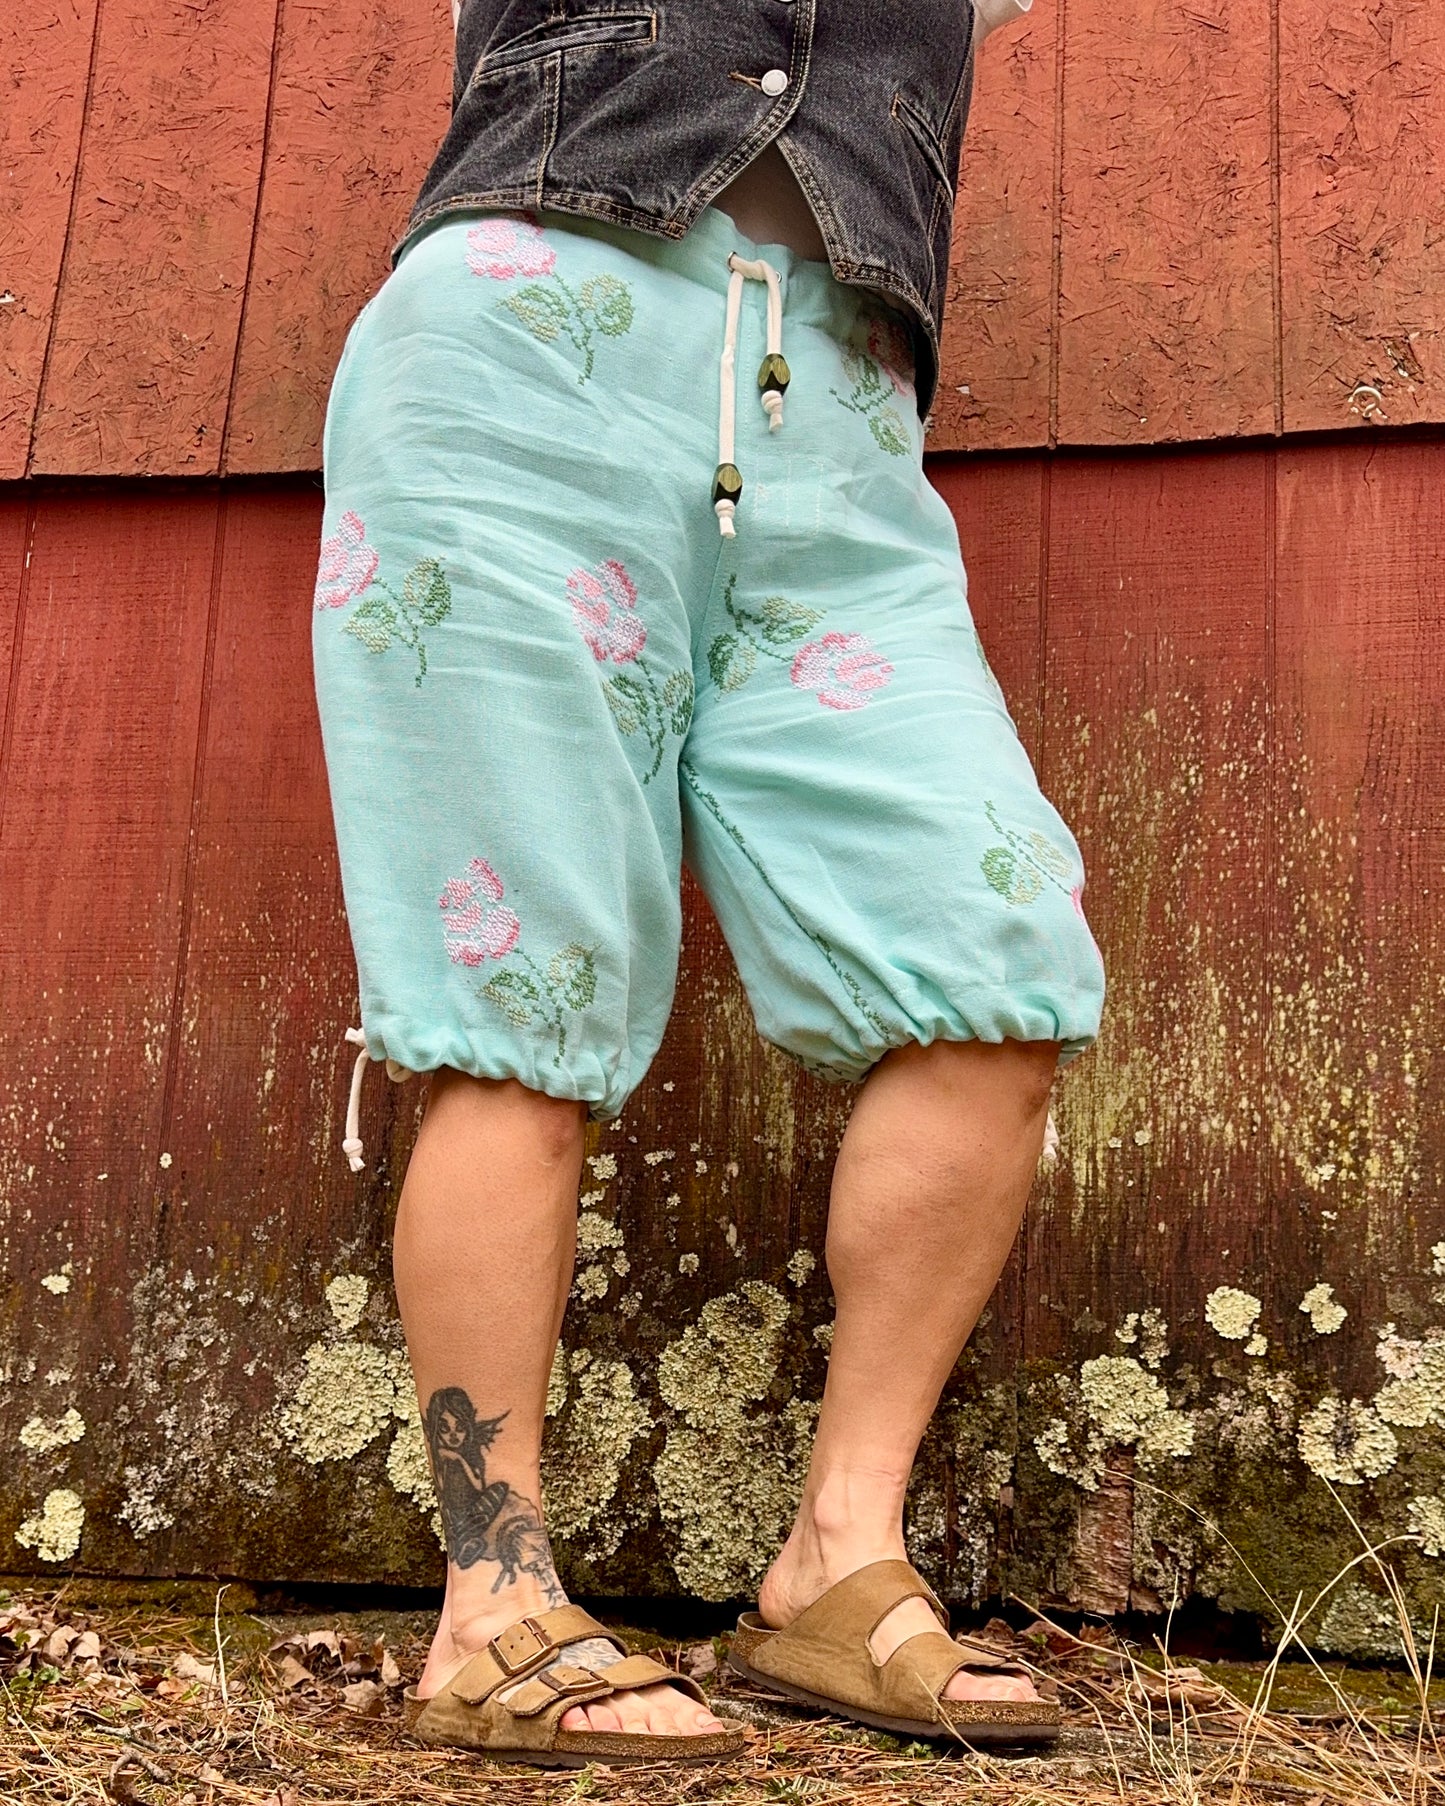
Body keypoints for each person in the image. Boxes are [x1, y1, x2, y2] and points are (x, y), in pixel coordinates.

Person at [312, 0, 1103, 1768]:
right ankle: (493, 1600)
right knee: (526, 998)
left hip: (838, 413)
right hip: (526, 354)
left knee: (999, 954)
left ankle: (834, 1555)